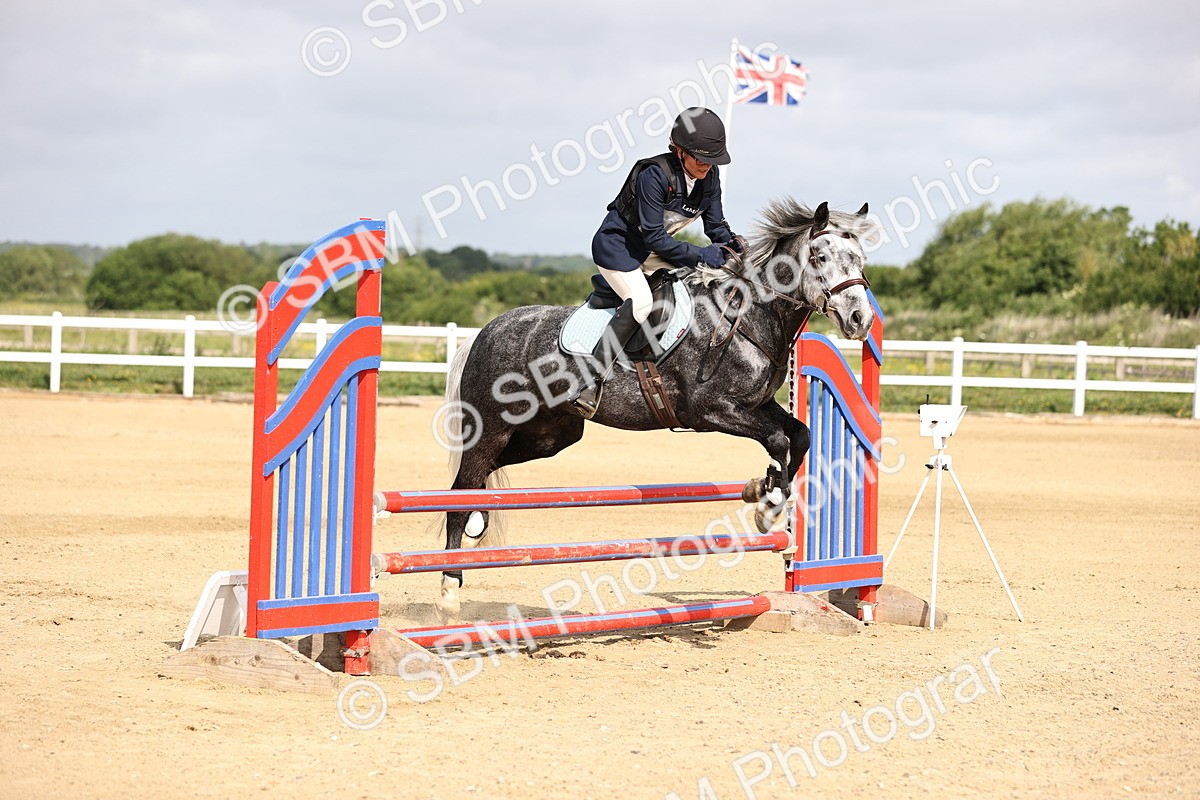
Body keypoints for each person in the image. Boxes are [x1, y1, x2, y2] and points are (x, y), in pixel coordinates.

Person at [569, 106, 741, 417]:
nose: (707, 165)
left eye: (712, 160)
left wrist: (731, 244)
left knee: (698, 289)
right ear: (679, 151)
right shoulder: (654, 175)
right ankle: (589, 380)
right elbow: (653, 237)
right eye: (700, 158)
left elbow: (714, 226)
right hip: (619, 248)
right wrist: (702, 254)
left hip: (655, 252)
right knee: (640, 305)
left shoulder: (709, 176)